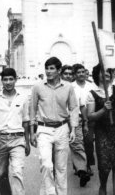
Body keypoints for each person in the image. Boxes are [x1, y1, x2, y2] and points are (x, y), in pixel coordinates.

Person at [30, 57, 79, 195]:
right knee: (46, 164)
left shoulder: (68, 87)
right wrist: (32, 132)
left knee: (61, 168)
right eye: (47, 68)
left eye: (52, 68)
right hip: (44, 129)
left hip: (62, 128)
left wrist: (73, 129)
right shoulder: (38, 87)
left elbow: (74, 108)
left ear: (59, 71)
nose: (48, 71)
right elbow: (32, 109)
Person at [0, 68, 31, 195]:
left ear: (15, 80)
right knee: (3, 174)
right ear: (2, 81)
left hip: (18, 139)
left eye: (11, 79)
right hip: (0, 140)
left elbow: (26, 121)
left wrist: (27, 142)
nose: (8, 82)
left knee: (17, 172)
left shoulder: (22, 98)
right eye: (5, 79)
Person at [87, 65, 115, 195]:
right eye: (102, 72)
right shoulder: (92, 93)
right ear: (96, 75)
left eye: (108, 72)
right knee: (104, 167)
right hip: (102, 133)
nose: (105, 74)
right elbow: (90, 116)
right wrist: (104, 110)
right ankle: (103, 186)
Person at [61, 64, 91, 186]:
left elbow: (82, 105)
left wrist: (85, 122)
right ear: (61, 74)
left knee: (77, 144)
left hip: (75, 119)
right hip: (59, 122)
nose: (68, 76)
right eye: (65, 74)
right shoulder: (55, 87)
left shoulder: (75, 88)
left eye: (70, 74)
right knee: (59, 148)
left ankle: (82, 171)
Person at [72, 63, 97, 177]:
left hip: (90, 118)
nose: (81, 74)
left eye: (82, 71)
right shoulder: (71, 87)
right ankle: (80, 167)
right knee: (77, 143)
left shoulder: (92, 86)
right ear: (75, 74)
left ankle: (87, 165)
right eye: (78, 72)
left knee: (88, 142)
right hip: (75, 118)